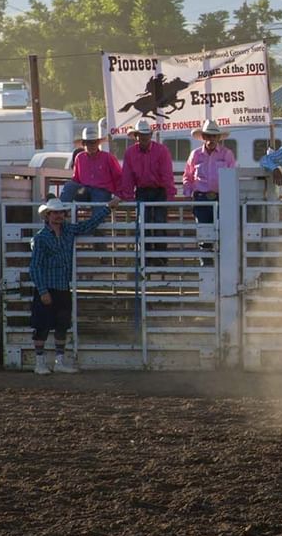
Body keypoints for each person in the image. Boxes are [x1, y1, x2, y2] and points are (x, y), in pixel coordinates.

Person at [28, 195, 122, 375]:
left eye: (60, 213)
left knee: (61, 325)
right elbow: (35, 267)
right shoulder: (41, 238)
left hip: (62, 286)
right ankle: (40, 363)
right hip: (48, 287)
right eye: (54, 213)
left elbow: (88, 225)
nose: (58, 216)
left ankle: (58, 361)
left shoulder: (68, 231)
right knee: (42, 326)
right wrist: (42, 290)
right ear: (47, 216)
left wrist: (107, 207)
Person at [119, 118, 177, 264]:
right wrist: (127, 195)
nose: (144, 137)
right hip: (143, 191)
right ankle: (145, 257)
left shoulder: (161, 151)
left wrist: (169, 194)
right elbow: (127, 176)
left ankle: (160, 258)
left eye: (146, 134)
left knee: (159, 224)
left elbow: (167, 174)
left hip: (159, 190)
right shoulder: (130, 153)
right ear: (136, 136)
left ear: (150, 135)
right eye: (141, 135)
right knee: (142, 224)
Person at [182, 119, 237, 224]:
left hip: (221, 198)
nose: (211, 139)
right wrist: (188, 195)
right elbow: (188, 176)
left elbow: (232, 178)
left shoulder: (227, 154)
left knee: (223, 231)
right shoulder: (195, 154)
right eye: (208, 136)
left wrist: (230, 197)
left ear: (218, 138)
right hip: (201, 198)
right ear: (204, 137)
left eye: (214, 136)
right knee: (204, 233)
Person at [60, 126, 122, 203]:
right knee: (70, 185)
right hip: (85, 191)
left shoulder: (108, 157)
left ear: (98, 143)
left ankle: (64, 209)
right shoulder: (79, 158)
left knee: (99, 200)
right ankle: (61, 210)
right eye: (89, 142)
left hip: (102, 191)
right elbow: (76, 179)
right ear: (84, 143)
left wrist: (118, 195)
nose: (92, 145)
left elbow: (118, 177)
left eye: (94, 142)